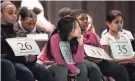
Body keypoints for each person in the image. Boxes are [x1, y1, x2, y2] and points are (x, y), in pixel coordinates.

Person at [70, 9, 130, 81]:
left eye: (86, 19)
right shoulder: (71, 35)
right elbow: (73, 53)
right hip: (82, 60)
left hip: (97, 60)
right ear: (73, 21)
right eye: (82, 19)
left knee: (120, 69)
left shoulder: (92, 35)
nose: (85, 21)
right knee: (94, 68)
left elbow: (100, 50)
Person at [37, 17, 88, 81]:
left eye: (78, 26)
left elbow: (78, 60)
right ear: (67, 28)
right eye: (76, 27)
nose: (79, 29)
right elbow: (59, 60)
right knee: (63, 70)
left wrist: (81, 44)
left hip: (65, 63)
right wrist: (73, 68)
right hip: (48, 62)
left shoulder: (75, 38)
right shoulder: (55, 37)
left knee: (82, 66)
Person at [12, 6, 54, 81]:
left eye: (34, 23)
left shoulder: (40, 31)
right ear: (21, 19)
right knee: (27, 74)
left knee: (46, 73)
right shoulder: (13, 29)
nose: (31, 26)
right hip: (17, 61)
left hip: (32, 61)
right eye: (28, 23)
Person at [100, 9, 135, 81]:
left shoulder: (125, 36)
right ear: (108, 23)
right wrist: (128, 59)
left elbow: (130, 53)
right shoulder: (105, 38)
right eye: (116, 22)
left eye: (121, 22)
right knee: (123, 69)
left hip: (129, 63)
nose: (119, 25)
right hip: (116, 66)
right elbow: (108, 61)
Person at [1, 1, 17, 81]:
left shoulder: (18, 30)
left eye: (15, 13)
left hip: (17, 59)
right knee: (26, 72)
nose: (14, 16)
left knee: (43, 71)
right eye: (10, 13)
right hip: (8, 60)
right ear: (1, 14)